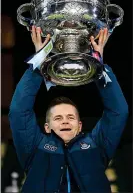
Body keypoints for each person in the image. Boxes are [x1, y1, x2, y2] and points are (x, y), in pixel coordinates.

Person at [9, 26, 128, 193]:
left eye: (70, 117)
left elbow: (118, 112)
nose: (65, 120)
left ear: (80, 125)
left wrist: (98, 65)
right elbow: (18, 112)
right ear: (47, 127)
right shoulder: (34, 147)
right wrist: (39, 61)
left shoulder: (97, 146)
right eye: (57, 118)